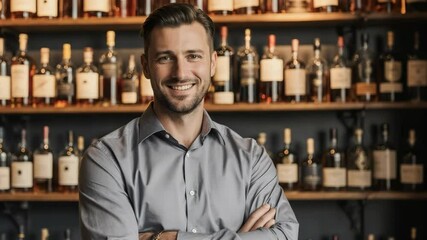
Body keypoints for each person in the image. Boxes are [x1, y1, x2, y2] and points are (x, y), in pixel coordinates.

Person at [79, 3, 298, 240]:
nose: (181, 72)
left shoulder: (251, 158)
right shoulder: (106, 159)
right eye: (165, 58)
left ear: (213, 63)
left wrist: (166, 238)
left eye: (193, 56)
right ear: (146, 67)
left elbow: (285, 234)